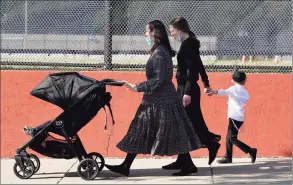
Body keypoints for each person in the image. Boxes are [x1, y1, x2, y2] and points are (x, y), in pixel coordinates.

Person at [104, 20, 202, 177]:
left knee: (166, 131)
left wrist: (138, 87)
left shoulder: (160, 53)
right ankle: (126, 165)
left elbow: (159, 79)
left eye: (147, 31)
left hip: (163, 101)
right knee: (141, 129)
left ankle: (188, 164)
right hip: (155, 100)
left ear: (154, 33)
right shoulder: (159, 51)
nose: (145, 34)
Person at [162, 17, 221, 172]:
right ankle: (185, 158)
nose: (171, 34)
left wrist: (187, 93)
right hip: (185, 88)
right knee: (188, 123)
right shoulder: (189, 43)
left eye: (173, 30)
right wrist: (206, 83)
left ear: (180, 29)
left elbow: (191, 71)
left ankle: (208, 144)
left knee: (186, 123)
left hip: (187, 89)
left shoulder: (188, 45)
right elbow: (198, 64)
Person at [208, 70, 257, 164]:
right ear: (245, 80)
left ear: (233, 80)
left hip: (234, 117)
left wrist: (213, 92)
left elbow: (223, 92)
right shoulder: (245, 92)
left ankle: (251, 150)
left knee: (232, 139)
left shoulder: (233, 89)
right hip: (238, 117)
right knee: (228, 137)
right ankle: (228, 157)